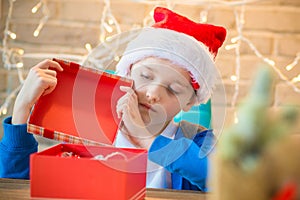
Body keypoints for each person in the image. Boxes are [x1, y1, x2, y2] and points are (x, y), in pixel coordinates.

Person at [0, 7, 226, 192]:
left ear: (189, 102)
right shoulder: (91, 129)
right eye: (145, 76)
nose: (153, 93)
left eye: (174, 89)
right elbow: (17, 186)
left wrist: (146, 138)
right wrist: (22, 108)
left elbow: (219, 181)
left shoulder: (198, 140)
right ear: (126, 74)